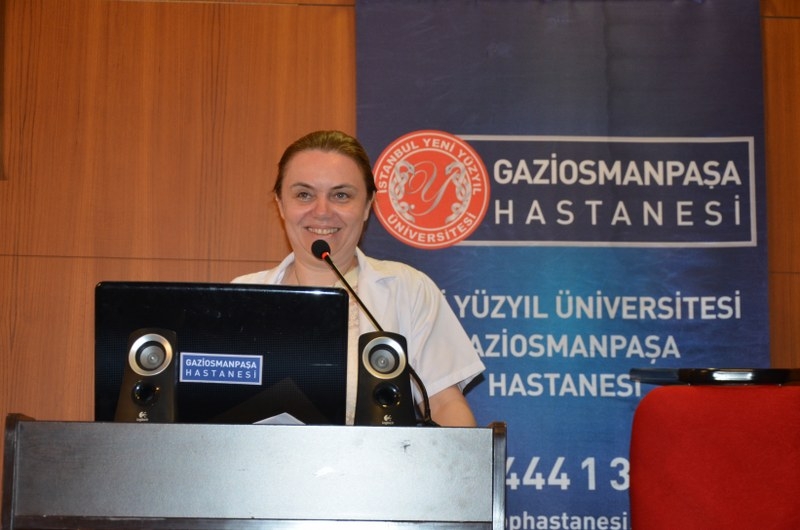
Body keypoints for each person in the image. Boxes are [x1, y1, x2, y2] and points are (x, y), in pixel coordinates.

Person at [233, 130, 485, 427]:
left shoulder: (408, 289)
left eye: (341, 195)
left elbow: (445, 404)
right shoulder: (242, 297)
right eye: (304, 195)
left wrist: (459, 456)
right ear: (280, 204)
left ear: (367, 206)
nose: (322, 212)